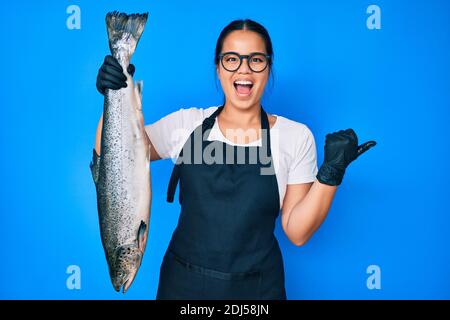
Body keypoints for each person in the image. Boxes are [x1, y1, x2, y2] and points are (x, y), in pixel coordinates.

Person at [94, 19, 376, 300]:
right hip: (183, 287)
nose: (244, 69)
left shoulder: (295, 136)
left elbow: (297, 232)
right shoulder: (186, 124)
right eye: (232, 59)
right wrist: (113, 93)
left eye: (255, 59)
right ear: (218, 68)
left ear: (268, 67)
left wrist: (331, 174)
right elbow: (115, 160)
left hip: (257, 292)